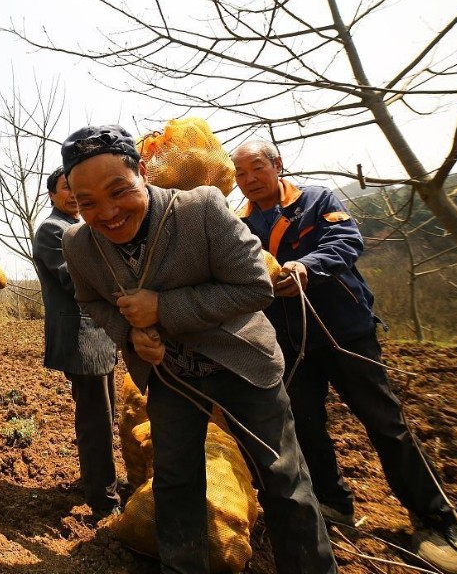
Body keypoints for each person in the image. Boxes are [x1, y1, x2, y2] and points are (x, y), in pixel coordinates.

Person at [59, 125, 337, 573]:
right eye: (86, 203)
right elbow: (89, 300)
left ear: (143, 173)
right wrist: (130, 335)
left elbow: (254, 286)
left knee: (283, 481)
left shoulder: (201, 210)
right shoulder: (78, 244)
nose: (108, 213)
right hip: (170, 376)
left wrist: (162, 308)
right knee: (175, 483)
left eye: (118, 192)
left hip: (242, 364)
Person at [232, 139, 457, 574]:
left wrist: (307, 267)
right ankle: (332, 502)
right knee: (304, 424)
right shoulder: (238, 222)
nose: (249, 180)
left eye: (256, 169)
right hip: (288, 339)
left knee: (385, 422)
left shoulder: (315, 199)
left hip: (344, 330)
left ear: (277, 166)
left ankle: (436, 520)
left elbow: (346, 240)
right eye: (240, 174)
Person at [33, 166, 121, 518]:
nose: (72, 194)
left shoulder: (84, 227)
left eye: (76, 187)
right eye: (64, 188)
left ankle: (96, 481)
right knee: (95, 419)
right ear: (53, 195)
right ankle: (104, 500)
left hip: (101, 333)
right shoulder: (53, 231)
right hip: (82, 336)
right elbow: (75, 282)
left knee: (106, 413)